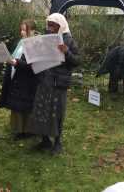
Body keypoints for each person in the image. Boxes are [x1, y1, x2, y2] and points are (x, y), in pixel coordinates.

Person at [27, 13, 80, 155]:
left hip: (59, 83)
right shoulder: (46, 38)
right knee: (42, 110)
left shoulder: (68, 40)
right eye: (49, 25)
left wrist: (66, 51)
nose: (50, 28)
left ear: (61, 25)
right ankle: (45, 140)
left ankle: (57, 143)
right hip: (45, 80)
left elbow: (77, 61)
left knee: (57, 113)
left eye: (53, 25)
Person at [0, 19, 38, 140]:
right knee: (17, 105)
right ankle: (18, 129)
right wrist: (10, 59)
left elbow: (32, 64)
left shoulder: (35, 43)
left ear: (32, 30)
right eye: (21, 29)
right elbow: (16, 55)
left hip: (28, 79)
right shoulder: (22, 42)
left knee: (25, 106)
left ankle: (27, 131)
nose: (22, 32)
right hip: (17, 76)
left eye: (24, 30)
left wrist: (16, 62)